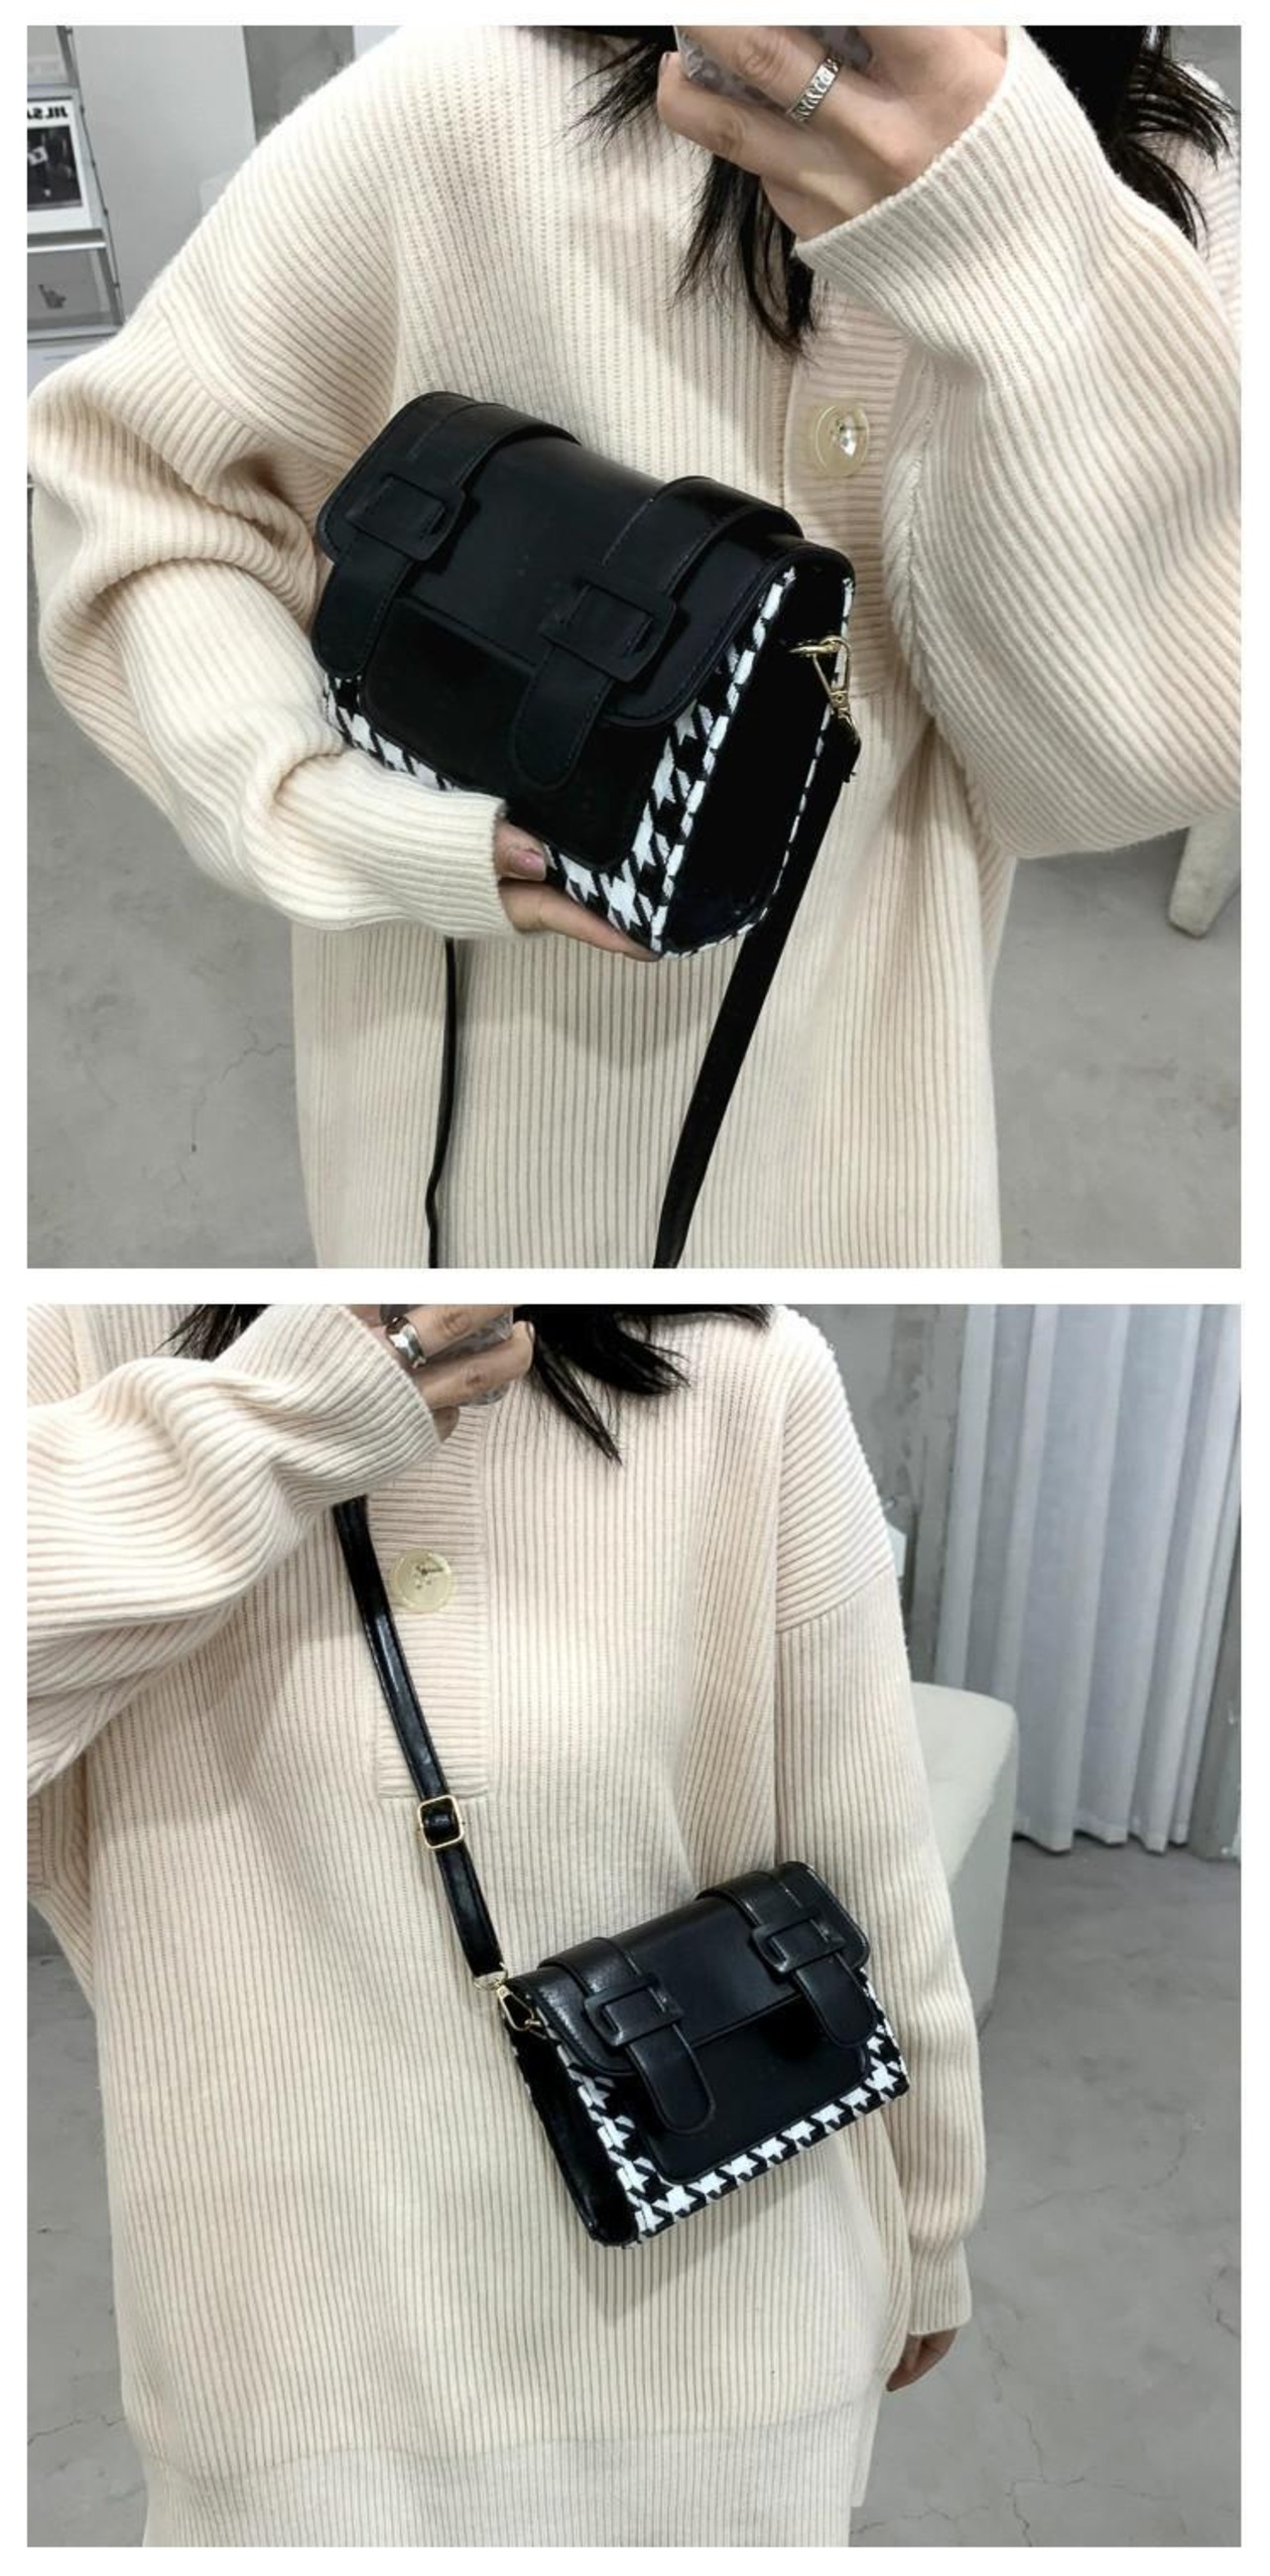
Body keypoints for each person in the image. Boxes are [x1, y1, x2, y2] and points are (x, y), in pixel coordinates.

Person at [26, 27, 1239, 1264]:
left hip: (846, 1130)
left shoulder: (1153, 165)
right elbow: (130, 480)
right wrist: (322, 809)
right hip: (460, 1128)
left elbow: (1118, 774)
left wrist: (1005, 244)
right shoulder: (466, 100)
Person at [28, 1300, 984, 2547]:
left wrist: (929, 2217)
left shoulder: (746, 1374)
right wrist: (289, 1416)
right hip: (293, 2391)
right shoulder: (83, 1341)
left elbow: (870, 1858)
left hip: (726, 2337)